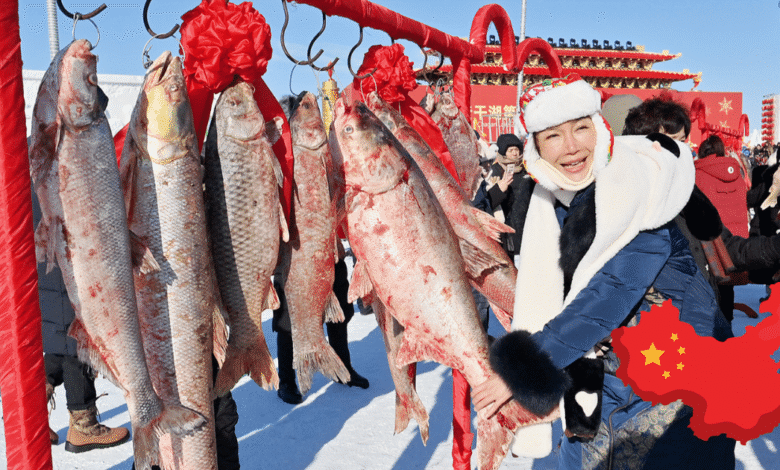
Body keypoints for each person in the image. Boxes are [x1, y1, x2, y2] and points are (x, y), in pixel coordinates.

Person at [472, 74, 736, 469]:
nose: (573, 147)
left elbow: (609, 293)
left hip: (680, 380)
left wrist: (525, 367)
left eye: (581, 128)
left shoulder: (637, 189)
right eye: (554, 136)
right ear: (537, 148)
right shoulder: (554, 200)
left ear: (599, 129)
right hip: (608, 380)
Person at [623, 98, 780, 321]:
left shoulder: (688, 193)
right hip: (656, 338)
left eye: (681, 141)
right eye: (668, 141)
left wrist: (775, 247)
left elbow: (729, 248)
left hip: (707, 321)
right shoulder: (622, 203)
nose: (678, 151)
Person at [33, 191, 130, 452]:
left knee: (62, 326)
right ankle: (82, 420)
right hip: (55, 225)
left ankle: (34, 412)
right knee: (76, 328)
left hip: (42, 227)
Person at [274, 243, 369, 405]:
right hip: (291, 251)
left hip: (327, 247)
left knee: (339, 312)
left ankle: (342, 369)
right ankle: (286, 381)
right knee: (288, 321)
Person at [486, 133, 534, 260]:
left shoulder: (528, 170)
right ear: (503, 152)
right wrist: (500, 189)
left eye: (517, 150)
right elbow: (486, 204)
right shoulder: (494, 171)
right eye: (510, 150)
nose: (514, 154)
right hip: (508, 237)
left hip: (529, 232)